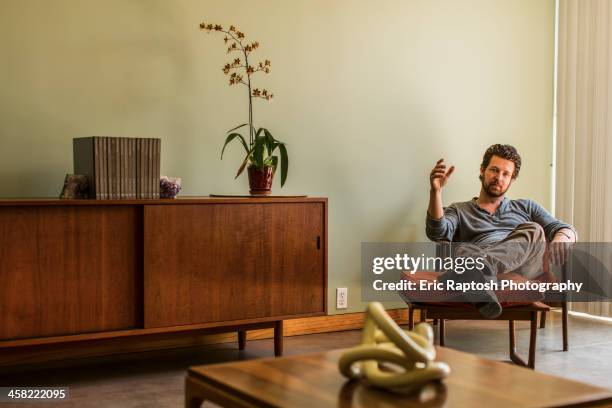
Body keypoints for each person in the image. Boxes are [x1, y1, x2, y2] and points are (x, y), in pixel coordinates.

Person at [426, 144, 577, 318]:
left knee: (533, 230)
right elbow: (437, 233)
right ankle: (477, 277)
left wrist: (563, 237)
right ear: (483, 170)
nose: (499, 177)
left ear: (512, 179)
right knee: (465, 251)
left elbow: (563, 228)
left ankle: (469, 272)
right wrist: (435, 191)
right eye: (494, 170)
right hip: (477, 261)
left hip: (522, 267)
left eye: (506, 174)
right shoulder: (459, 210)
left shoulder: (526, 207)